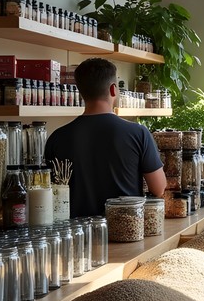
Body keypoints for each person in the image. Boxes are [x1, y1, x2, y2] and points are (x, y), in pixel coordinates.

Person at [44, 58, 165, 218]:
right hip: (125, 232)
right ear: (113, 89)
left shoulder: (57, 138)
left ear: (80, 91)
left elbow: (52, 194)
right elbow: (159, 188)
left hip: (76, 236)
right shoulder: (138, 133)